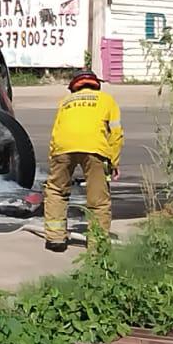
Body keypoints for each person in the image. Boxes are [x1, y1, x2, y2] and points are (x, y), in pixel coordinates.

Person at [42, 70, 123, 252]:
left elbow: (55, 133)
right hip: (95, 148)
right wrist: (113, 161)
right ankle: (97, 244)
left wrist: (53, 159)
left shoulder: (65, 102)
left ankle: (55, 239)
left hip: (63, 148)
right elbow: (116, 134)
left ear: (74, 86)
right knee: (98, 200)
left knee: (56, 190)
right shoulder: (106, 100)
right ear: (96, 84)